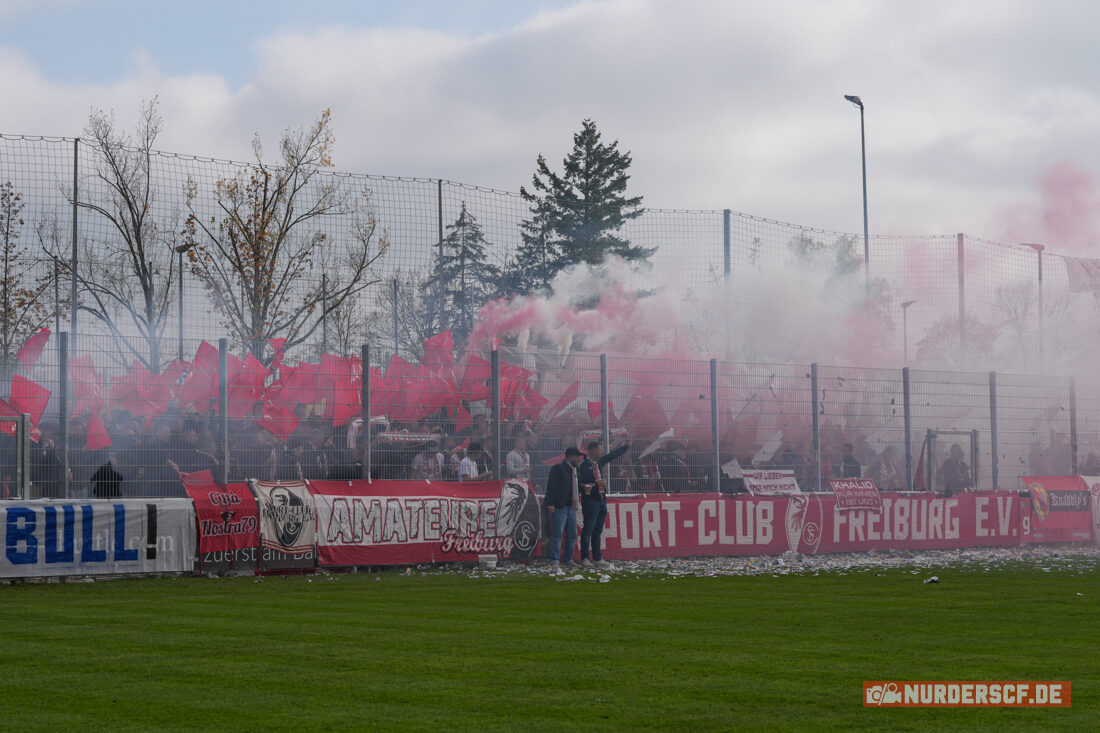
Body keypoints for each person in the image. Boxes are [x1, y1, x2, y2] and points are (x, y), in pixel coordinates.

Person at [577, 439, 631, 567]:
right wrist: (596, 484)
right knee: (588, 530)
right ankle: (585, 558)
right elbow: (580, 486)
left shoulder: (598, 463)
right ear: (593, 450)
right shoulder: (583, 466)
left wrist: (625, 447)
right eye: (600, 449)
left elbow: (611, 456)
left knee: (598, 531)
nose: (602, 452)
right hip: (590, 501)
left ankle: (597, 557)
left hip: (601, 500)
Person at [545, 446, 584, 569]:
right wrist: (551, 503)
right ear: (571, 456)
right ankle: (555, 560)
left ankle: (568, 559)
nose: (578, 459)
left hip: (571, 507)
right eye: (577, 456)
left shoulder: (574, 470)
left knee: (572, 534)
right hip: (560, 507)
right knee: (557, 534)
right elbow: (551, 486)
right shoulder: (558, 469)